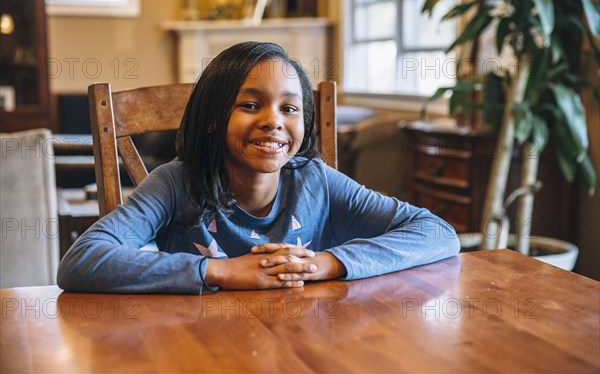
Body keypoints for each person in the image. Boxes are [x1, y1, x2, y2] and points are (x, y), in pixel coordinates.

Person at [57, 42, 459, 294]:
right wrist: (221, 271)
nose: (273, 121)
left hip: (304, 345)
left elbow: (438, 233)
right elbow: (82, 261)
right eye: (250, 105)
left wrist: (326, 263)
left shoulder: (315, 180)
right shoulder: (176, 182)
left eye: (289, 108)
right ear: (214, 118)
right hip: (195, 345)